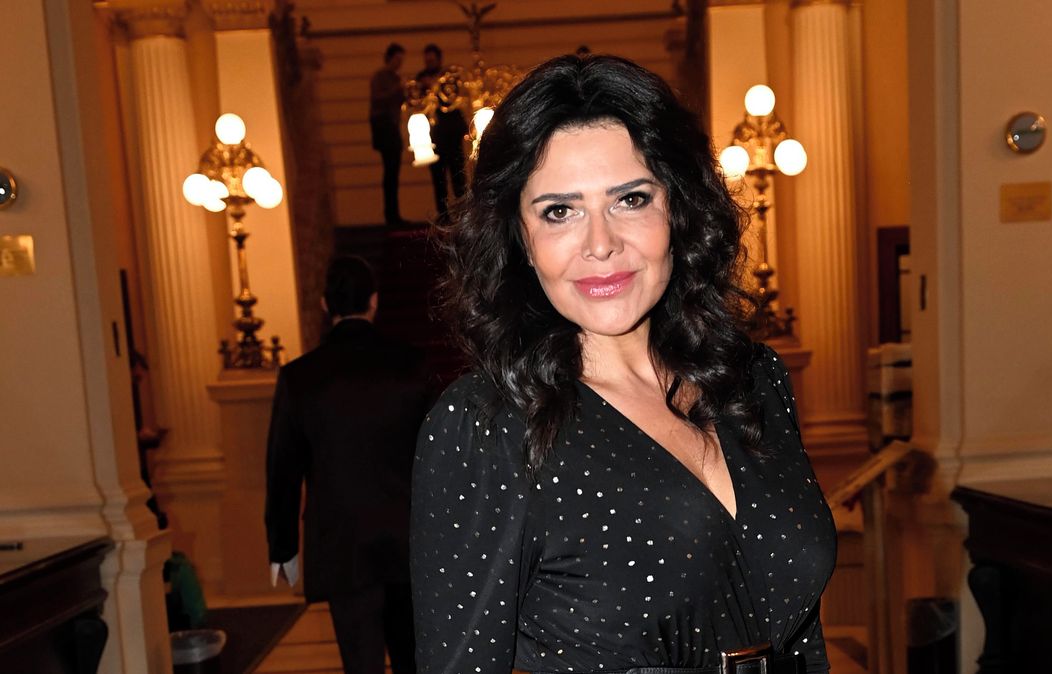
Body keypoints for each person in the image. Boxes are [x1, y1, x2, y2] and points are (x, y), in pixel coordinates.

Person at [410, 55, 837, 674]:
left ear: (678, 209)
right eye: (560, 211)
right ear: (519, 238)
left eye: (631, 199)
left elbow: (802, 639)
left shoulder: (752, 378)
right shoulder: (486, 425)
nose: (601, 244)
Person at [265, 255, 431, 674]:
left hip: (342, 545)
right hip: (409, 542)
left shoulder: (300, 377)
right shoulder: (413, 366)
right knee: (416, 660)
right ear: (374, 301)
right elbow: (440, 461)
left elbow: (283, 471)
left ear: (325, 305)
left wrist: (283, 546)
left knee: (360, 664)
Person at [415, 43, 467, 221]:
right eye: (427, 60)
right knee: (438, 178)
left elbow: (453, 98)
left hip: (452, 133)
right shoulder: (421, 79)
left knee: (458, 174)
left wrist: (435, 85)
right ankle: (443, 215)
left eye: (432, 60)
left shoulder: (448, 76)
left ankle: (462, 213)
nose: (429, 63)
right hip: (434, 136)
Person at [370, 43, 407, 226]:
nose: (399, 63)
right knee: (390, 170)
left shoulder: (395, 77)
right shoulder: (380, 77)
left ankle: (394, 214)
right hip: (384, 125)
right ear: (389, 58)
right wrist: (398, 89)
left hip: (392, 124)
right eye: (397, 59)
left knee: (393, 170)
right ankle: (391, 215)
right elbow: (377, 98)